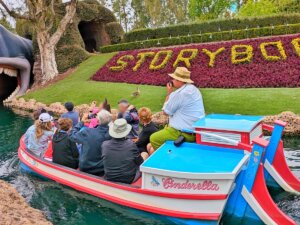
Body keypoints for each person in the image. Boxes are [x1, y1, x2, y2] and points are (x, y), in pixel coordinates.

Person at [149, 67, 205, 154]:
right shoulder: (194, 89)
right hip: (195, 131)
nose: (172, 80)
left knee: (153, 138)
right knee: (150, 147)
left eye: (174, 79)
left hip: (184, 133)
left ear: (180, 80)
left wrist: (169, 92)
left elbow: (165, 112)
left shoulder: (179, 94)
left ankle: (168, 160)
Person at [102, 119, 149, 184]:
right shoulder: (131, 145)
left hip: (109, 177)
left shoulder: (104, 144)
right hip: (128, 179)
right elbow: (140, 162)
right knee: (144, 154)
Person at [69, 110, 111, 176]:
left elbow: (72, 135)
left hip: (86, 168)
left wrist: (81, 122)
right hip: (102, 168)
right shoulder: (112, 134)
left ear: (98, 120)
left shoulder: (87, 132)